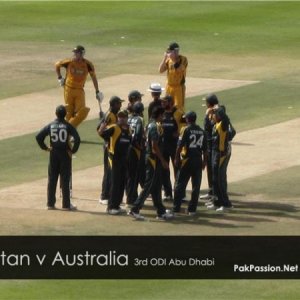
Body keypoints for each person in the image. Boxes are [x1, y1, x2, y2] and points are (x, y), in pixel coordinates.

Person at [128, 107, 174, 221]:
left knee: (156, 186)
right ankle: (135, 209)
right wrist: (163, 160)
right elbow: (154, 146)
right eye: (162, 115)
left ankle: (161, 211)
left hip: (153, 159)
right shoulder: (154, 126)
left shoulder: (151, 125)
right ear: (159, 115)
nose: (163, 117)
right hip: (153, 160)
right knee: (149, 185)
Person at [36, 105, 80, 210]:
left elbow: (38, 137)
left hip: (54, 154)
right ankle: (66, 205)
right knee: (65, 179)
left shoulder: (51, 125)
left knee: (52, 179)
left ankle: (50, 204)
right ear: (65, 114)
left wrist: (46, 148)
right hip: (65, 154)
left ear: (56, 114)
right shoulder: (68, 125)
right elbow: (77, 139)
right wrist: (72, 151)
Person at [55, 45, 104, 128]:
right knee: (69, 112)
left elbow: (93, 77)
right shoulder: (69, 62)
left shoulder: (88, 64)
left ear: (82, 54)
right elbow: (57, 65)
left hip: (79, 90)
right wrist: (60, 77)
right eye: (74, 53)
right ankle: (69, 132)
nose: (75, 55)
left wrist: (97, 91)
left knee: (81, 112)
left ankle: (68, 129)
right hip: (68, 89)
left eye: (77, 53)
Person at [173, 111, 207, 215]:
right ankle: (192, 210)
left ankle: (176, 208)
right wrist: (204, 162)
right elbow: (205, 150)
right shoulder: (202, 131)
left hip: (187, 160)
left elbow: (179, 146)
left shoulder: (185, 129)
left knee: (180, 185)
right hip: (198, 159)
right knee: (196, 186)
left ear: (188, 119)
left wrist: (176, 158)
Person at [98, 110, 131, 215]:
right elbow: (101, 133)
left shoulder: (129, 129)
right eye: (120, 117)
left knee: (121, 183)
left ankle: (117, 205)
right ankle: (111, 207)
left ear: (127, 118)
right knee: (115, 183)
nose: (121, 118)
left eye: (123, 117)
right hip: (114, 159)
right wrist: (102, 125)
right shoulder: (114, 127)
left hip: (124, 159)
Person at [97, 96, 124, 205]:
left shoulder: (115, 114)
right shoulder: (109, 115)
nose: (120, 105)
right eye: (119, 103)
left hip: (112, 146)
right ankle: (104, 196)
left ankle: (110, 195)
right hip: (108, 146)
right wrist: (107, 140)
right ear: (114, 104)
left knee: (111, 171)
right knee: (108, 171)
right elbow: (99, 129)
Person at [207, 107, 233, 212]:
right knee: (214, 179)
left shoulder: (223, 125)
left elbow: (226, 119)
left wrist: (220, 111)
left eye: (216, 114)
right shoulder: (216, 124)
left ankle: (226, 204)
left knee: (219, 180)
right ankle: (217, 202)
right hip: (215, 153)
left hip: (220, 155)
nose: (214, 116)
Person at [160, 95, 185, 201]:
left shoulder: (179, 113)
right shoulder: (162, 113)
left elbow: (185, 126)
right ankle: (167, 193)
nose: (162, 104)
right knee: (164, 170)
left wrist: (179, 133)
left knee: (177, 169)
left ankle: (179, 193)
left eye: (164, 102)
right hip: (164, 145)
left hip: (175, 146)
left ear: (170, 102)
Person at [126, 102, 145, 207]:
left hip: (126, 148)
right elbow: (137, 134)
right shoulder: (140, 119)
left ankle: (131, 196)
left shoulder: (128, 118)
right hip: (135, 151)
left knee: (129, 175)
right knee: (134, 175)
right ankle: (131, 199)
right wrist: (139, 146)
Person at [159, 42, 188, 110]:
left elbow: (180, 69)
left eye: (170, 52)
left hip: (179, 87)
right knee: (167, 106)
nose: (169, 54)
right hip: (169, 86)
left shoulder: (183, 59)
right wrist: (164, 58)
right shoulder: (169, 60)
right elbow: (160, 70)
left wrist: (174, 60)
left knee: (178, 107)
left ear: (176, 51)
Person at [201, 94, 219, 201]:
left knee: (213, 170)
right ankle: (211, 191)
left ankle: (215, 194)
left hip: (213, 145)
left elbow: (208, 127)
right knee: (209, 169)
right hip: (209, 144)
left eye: (207, 102)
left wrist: (206, 116)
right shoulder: (211, 112)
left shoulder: (216, 113)